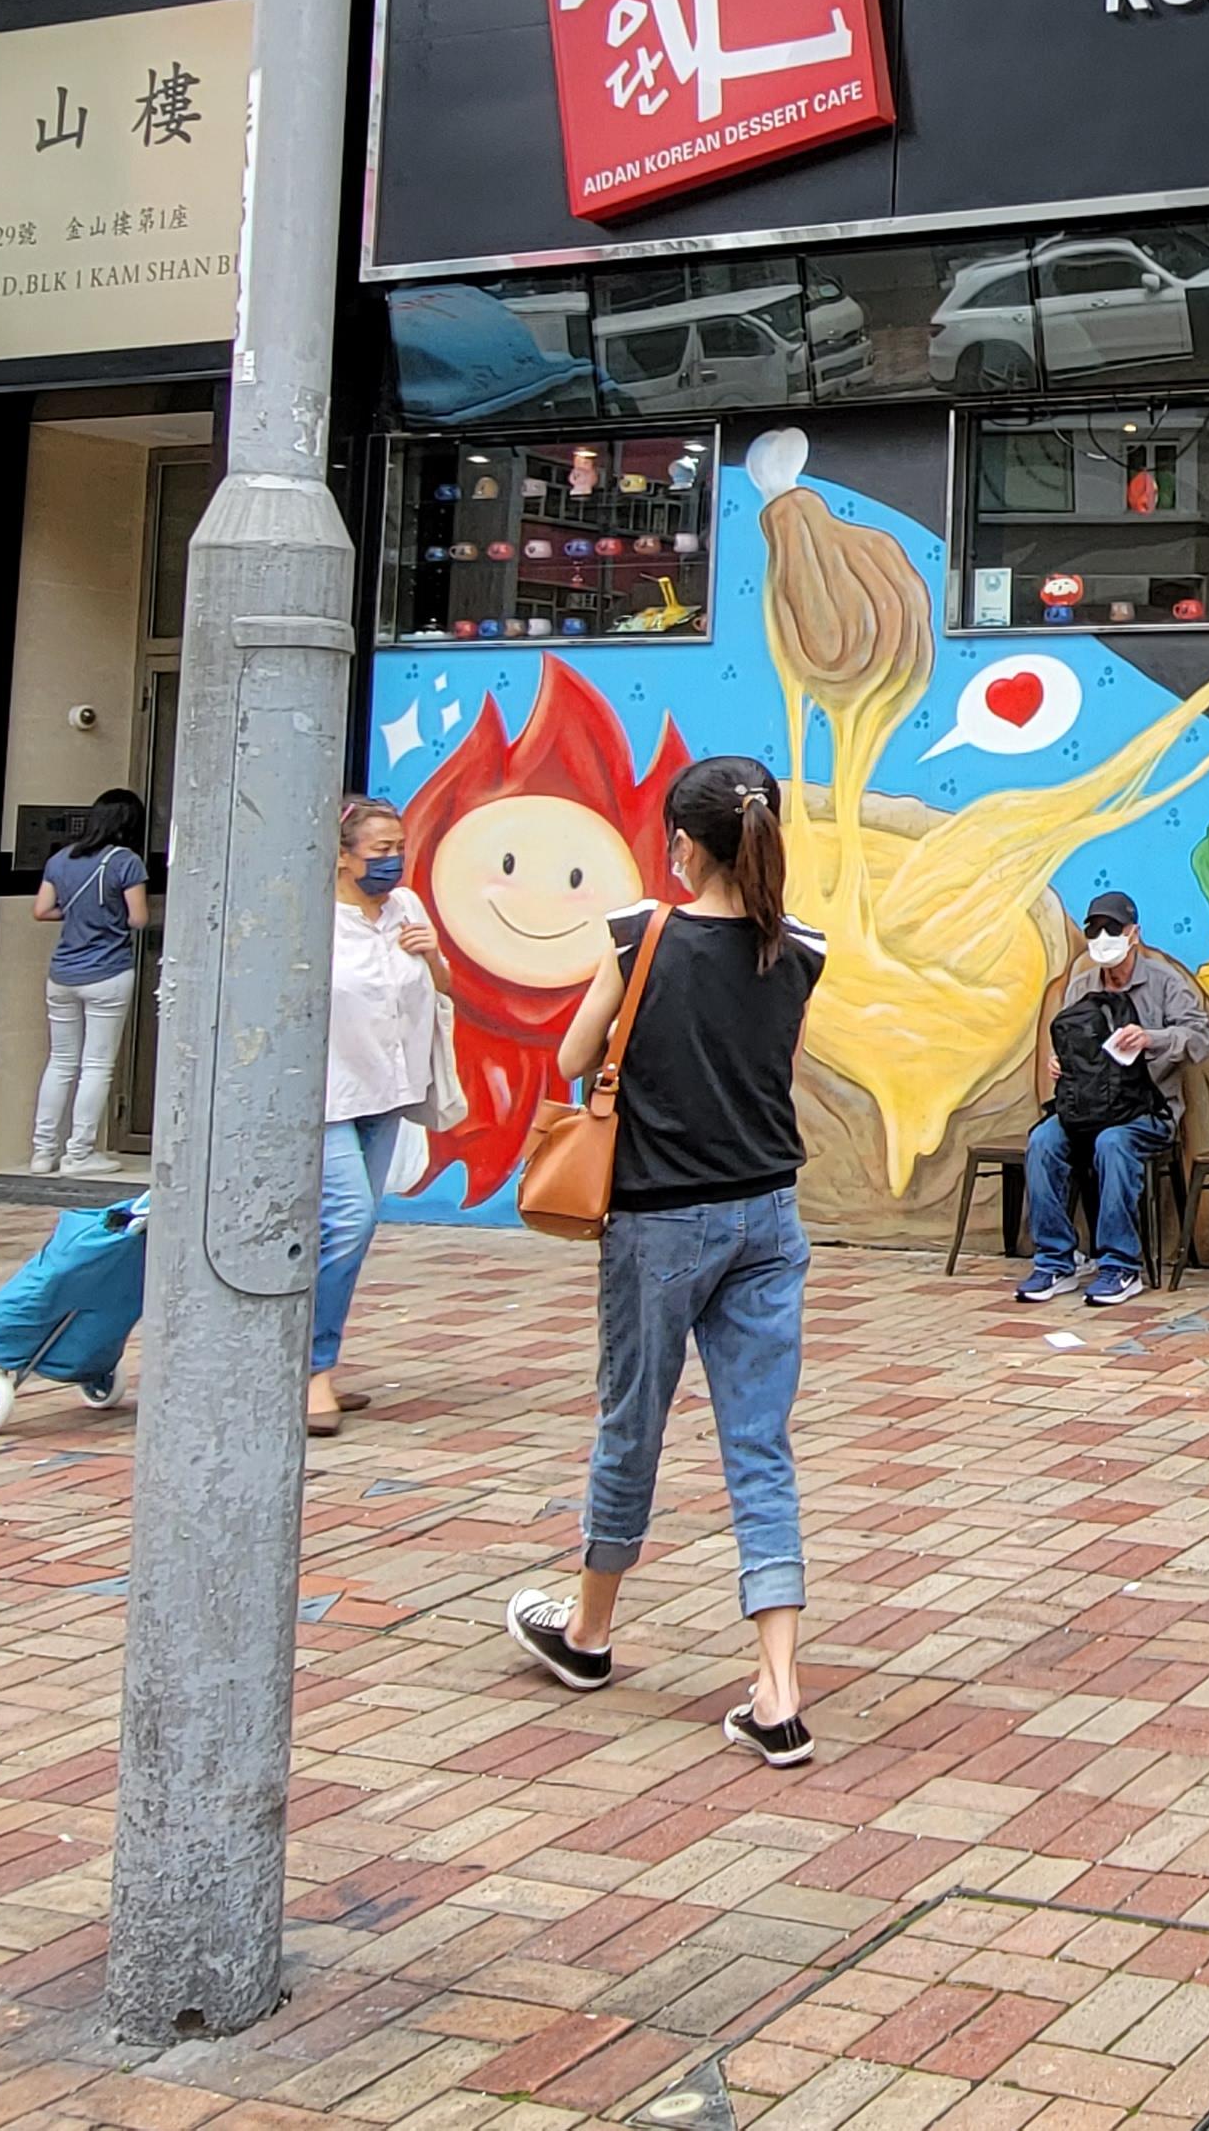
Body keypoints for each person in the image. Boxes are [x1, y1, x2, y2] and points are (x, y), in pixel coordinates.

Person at [504, 754, 829, 1765]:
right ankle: (778, 1688)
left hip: (658, 1220)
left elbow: (572, 1059)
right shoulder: (803, 949)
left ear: (683, 844)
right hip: (768, 1216)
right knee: (760, 1445)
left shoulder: (638, 935)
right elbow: (777, 1069)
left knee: (631, 1423)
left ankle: (589, 1631)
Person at [312, 796, 449, 1437]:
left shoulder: (407, 908)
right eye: (381, 850)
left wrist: (432, 955)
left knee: (353, 1228)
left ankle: (313, 1358)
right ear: (342, 857)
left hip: (387, 1091)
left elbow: (442, 990)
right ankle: (311, 1367)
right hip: (327, 1095)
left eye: (400, 847)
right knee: (348, 1219)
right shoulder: (316, 919)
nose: (394, 861)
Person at [1018, 889, 1209, 1307]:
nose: (1103, 937)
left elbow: (1202, 1038)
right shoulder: (1080, 987)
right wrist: (1060, 1063)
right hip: (1086, 1107)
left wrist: (1152, 1038)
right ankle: (1055, 1260)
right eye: (1094, 929)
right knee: (1043, 1142)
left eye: (1113, 928)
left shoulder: (1165, 982)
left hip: (1147, 1110)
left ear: (1133, 934)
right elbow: (1072, 1046)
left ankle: (1119, 1265)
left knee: (1113, 1143)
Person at [32, 788, 152, 1175]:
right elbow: (138, 918)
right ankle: (79, 1153)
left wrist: (76, 914)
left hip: (62, 974)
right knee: (97, 1066)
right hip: (108, 972)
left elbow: (41, 910)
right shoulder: (126, 861)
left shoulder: (60, 859)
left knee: (60, 1062)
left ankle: (42, 1152)